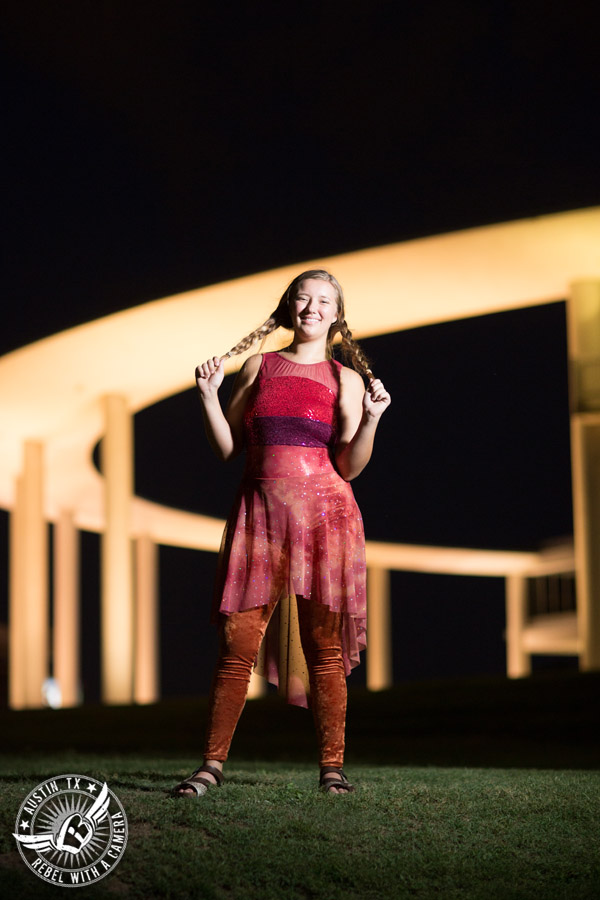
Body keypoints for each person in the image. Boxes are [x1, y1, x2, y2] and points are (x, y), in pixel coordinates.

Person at [172, 269, 391, 797]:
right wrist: (206, 396)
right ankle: (210, 766)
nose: (311, 307)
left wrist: (372, 420)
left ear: (337, 316)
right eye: (302, 297)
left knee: (325, 649)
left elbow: (350, 465)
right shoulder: (259, 366)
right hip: (260, 520)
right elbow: (227, 449)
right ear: (288, 305)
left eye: (323, 301)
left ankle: (332, 770)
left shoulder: (348, 380)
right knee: (236, 645)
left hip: (326, 522)